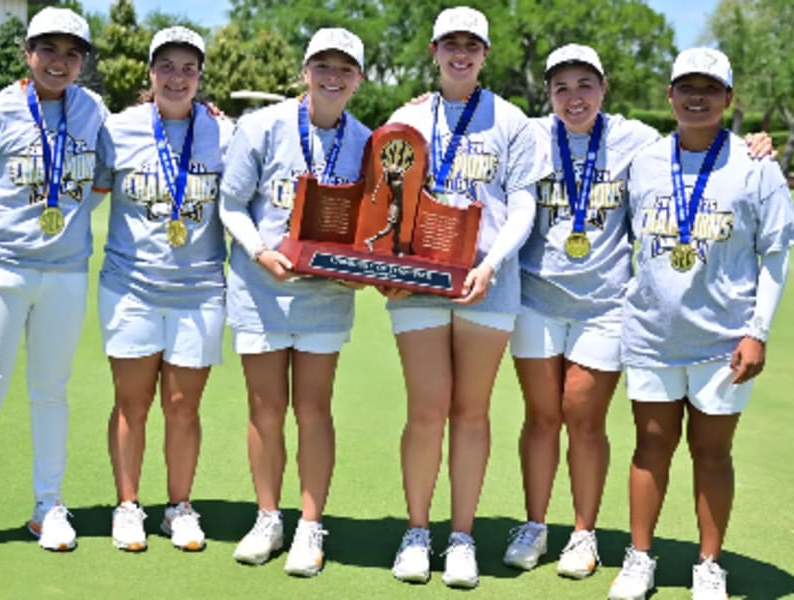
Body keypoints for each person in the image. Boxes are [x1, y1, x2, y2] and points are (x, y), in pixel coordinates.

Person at [504, 45, 775, 579]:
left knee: (583, 415)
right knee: (541, 417)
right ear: (548, 94)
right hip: (535, 299)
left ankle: (583, 535)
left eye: (585, 84)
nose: (573, 97)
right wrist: (420, 101)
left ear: (604, 90)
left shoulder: (636, 141)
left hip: (606, 306)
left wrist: (751, 144)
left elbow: (697, 146)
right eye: (561, 87)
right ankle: (535, 524)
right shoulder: (530, 135)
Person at [606, 47, 794, 600]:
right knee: (650, 446)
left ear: (728, 100)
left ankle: (708, 565)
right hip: (651, 333)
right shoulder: (643, 160)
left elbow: (776, 256)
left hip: (724, 340)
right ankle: (639, 558)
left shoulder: (756, 165)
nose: (697, 97)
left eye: (710, 88)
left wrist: (757, 330)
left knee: (712, 453)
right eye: (686, 87)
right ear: (668, 95)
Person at [382, 6, 551, 589]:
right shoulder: (406, 119)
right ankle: (416, 533)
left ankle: (460, 538)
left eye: (471, 46)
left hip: (488, 282)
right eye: (450, 44)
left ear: (484, 55)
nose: (461, 54)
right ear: (433, 51)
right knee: (427, 409)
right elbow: (386, 199)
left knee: (471, 412)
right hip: (419, 282)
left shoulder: (512, 122)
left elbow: (523, 203)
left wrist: (491, 261)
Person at [0, 7, 107, 566]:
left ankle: (48, 506)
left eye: (72, 53)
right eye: (49, 50)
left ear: (81, 62)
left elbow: (101, 178)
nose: (60, 62)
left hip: (64, 271)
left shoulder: (93, 111)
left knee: (51, 390)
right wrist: (11, 231)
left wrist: (62, 218)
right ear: (28, 53)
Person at [218, 27, 371, 577]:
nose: (333, 77)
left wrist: (362, 269)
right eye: (323, 66)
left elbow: (373, 227)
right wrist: (260, 252)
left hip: (326, 296)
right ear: (305, 72)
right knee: (264, 410)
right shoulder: (262, 127)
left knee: (313, 409)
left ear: (358, 78)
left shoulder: (367, 140)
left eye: (345, 68)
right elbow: (231, 204)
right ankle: (267, 518)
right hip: (261, 290)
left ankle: (310, 524)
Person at [93, 26, 231, 553]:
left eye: (188, 68)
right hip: (130, 287)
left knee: (183, 405)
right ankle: (128, 506)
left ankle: (179, 507)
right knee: (131, 402)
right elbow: (84, 183)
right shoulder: (118, 129)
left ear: (200, 76)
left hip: (199, 290)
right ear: (151, 74)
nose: (178, 77)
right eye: (167, 66)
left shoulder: (225, 132)